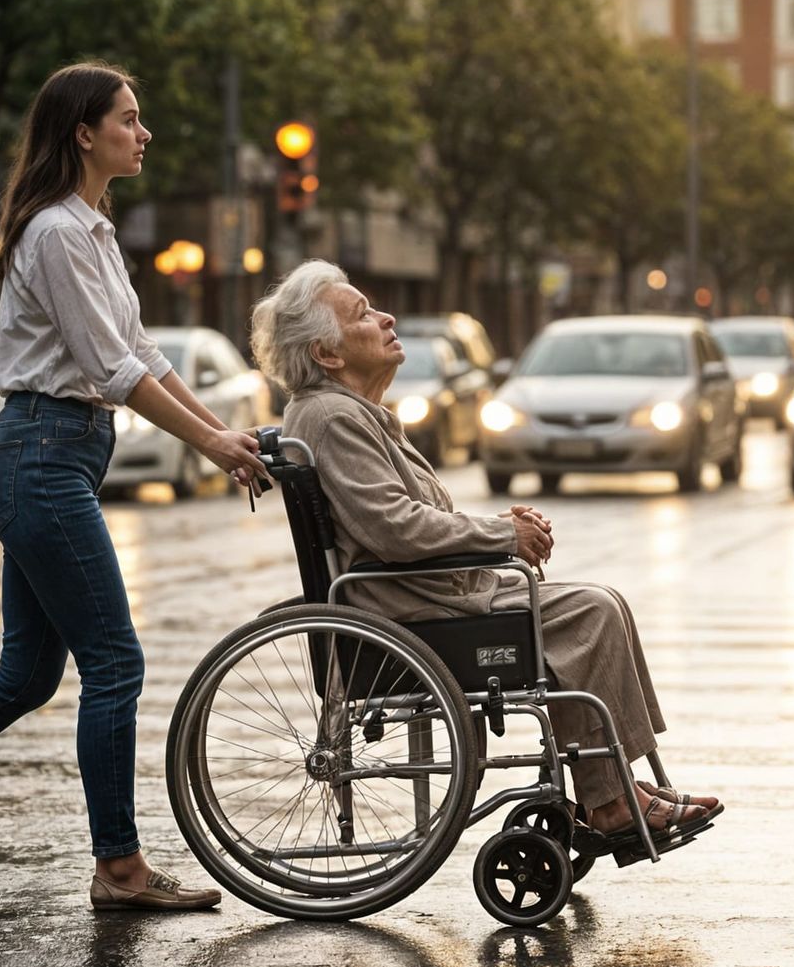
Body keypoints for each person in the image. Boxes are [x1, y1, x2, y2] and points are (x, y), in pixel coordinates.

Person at [0, 62, 263, 907]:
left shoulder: (91, 229)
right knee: (115, 664)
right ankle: (120, 869)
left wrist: (219, 425)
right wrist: (211, 444)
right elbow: (110, 369)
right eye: (130, 119)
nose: (144, 134)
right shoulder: (59, 234)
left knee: (28, 675)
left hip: (54, 457)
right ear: (83, 132)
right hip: (40, 455)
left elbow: (147, 355)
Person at [250, 261, 721, 852]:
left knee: (603, 607)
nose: (386, 318)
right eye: (363, 314)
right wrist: (499, 535)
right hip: (412, 609)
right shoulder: (331, 415)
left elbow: (404, 519)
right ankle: (611, 801)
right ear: (328, 353)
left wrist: (498, 529)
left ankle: (619, 790)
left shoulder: (350, 412)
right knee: (594, 612)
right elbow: (393, 528)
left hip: (429, 593)